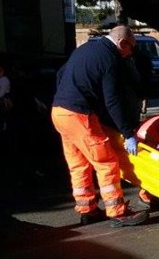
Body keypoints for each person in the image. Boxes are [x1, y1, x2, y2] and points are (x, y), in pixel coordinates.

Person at [51, 24, 149, 227]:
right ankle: (117, 212)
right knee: (106, 161)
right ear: (122, 43)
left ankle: (87, 209)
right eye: (131, 48)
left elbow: (61, 74)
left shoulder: (86, 48)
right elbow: (112, 100)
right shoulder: (111, 59)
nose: (130, 53)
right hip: (80, 115)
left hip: (59, 111)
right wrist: (127, 132)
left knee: (78, 165)